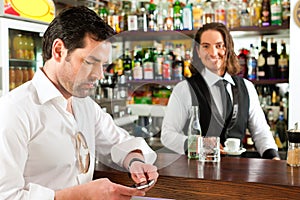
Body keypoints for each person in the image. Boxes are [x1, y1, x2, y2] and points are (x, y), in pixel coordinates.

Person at [0, 6, 159, 200]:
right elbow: (5, 195)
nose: (99, 75)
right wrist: (81, 195)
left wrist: (135, 161)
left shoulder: (85, 105)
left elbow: (119, 143)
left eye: (102, 65)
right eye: (90, 62)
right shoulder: (14, 111)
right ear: (59, 50)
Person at [161, 22, 280, 160]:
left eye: (219, 46)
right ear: (198, 52)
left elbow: (261, 132)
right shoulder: (184, 89)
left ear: (227, 49)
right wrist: (200, 144)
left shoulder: (247, 87)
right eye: (206, 46)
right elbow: (167, 135)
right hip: (197, 174)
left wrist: (273, 158)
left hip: (238, 173)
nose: (213, 53)